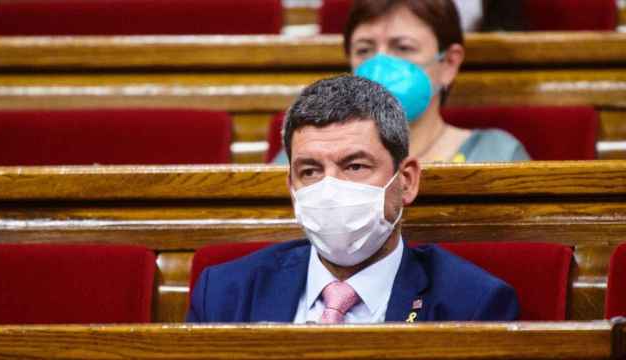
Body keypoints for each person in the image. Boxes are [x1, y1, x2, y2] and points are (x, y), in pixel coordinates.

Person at [187, 75, 519, 323]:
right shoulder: (223, 294)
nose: (330, 189)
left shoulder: (472, 303)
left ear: (406, 181)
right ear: (291, 187)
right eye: (311, 171)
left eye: (355, 166)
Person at [273, 0, 529, 164]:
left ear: (449, 63)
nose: (380, 64)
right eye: (364, 50)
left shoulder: (498, 155)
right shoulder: (309, 155)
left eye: (403, 48)